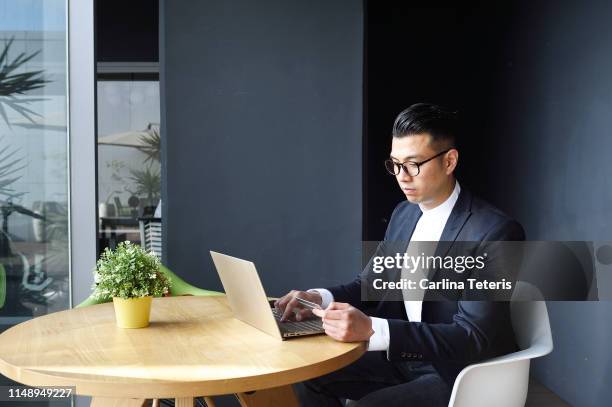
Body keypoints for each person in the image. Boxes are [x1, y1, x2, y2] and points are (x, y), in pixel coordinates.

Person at [275, 103, 525, 407]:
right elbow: (370, 285)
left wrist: (372, 328)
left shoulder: (495, 232)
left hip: (460, 372)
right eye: (395, 164)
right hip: (403, 356)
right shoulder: (404, 214)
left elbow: (473, 338)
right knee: (309, 375)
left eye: (414, 164)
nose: (402, 176)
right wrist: (319, 298)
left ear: (449, 161)